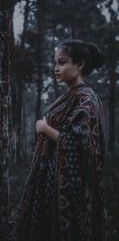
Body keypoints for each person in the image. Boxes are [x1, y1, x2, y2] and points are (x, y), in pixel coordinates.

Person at [10, 40, 108, 241]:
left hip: (71, 187)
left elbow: (81, 144)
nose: (56, 68)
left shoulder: (86, 99)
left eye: (62, 62)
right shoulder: (69, 95)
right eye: (55, 62)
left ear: (79, 64)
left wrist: (44, 128)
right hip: (51, 181)